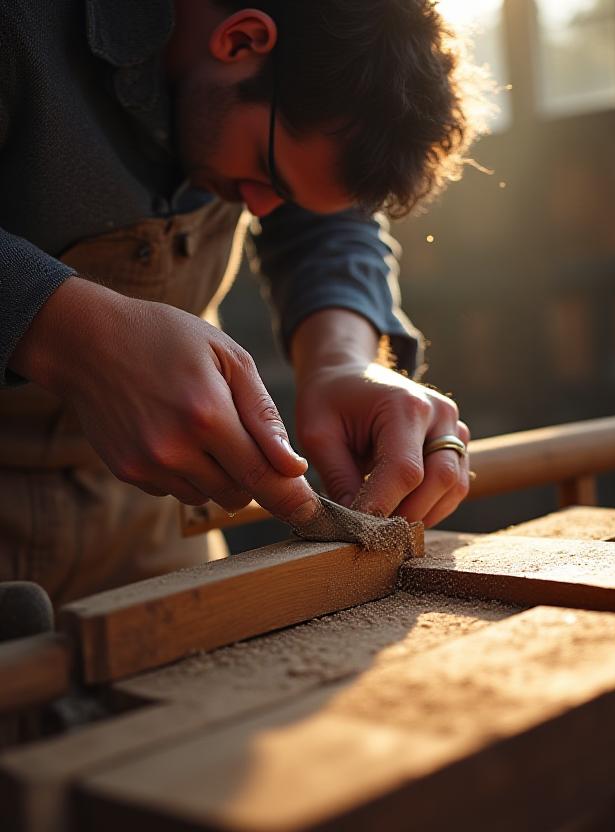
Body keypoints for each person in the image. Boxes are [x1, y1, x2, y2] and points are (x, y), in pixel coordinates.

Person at [0, 0, 481, 607]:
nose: (259, 209)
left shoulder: (289, 101)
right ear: (242, 38)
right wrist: (66, 330)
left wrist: (344, 359)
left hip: (152, 516)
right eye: (266, 175)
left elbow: (324, 218)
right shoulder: (21, 26)